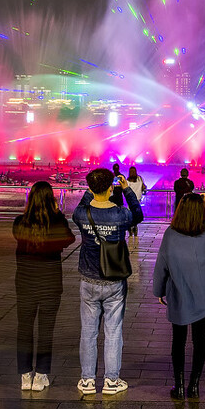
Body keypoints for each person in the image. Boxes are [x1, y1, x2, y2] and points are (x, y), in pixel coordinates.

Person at [152, 192, 205, 399]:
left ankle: (178, 386)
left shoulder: (171, 234)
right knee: (200, 338)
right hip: (203, 297)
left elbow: (162, 265)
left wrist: (159, 291)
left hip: (179, 294)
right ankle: (194, 385)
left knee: (178, 340)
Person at [72, 167, 143, 396]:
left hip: (89, 278)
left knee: (88, 332)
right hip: (113, 280)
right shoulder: (120, 214)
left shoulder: (83, 214)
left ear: (91, 188)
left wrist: (90, 191)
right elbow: (138, 214)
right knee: (113, 332)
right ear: (111, 186)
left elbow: (79, 209)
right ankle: (111, 381)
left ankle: (87, 380)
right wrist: (127, 190)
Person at [13, 181, 76, 392]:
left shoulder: (19, 222)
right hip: (49, 283)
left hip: (25, 283)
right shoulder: (57, 222)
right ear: (51, 199)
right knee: (46, 331)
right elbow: (69, 239)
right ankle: (40, 375)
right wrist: (57, 215)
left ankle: (24, 375)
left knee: (24, 329)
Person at [123, 166, 146, 238]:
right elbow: (144, 187)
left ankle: (130, 228)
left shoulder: (128, 181)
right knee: (136, 214)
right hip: (138, 200)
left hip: (130, 200)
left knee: (130, 214)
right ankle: (135, 226)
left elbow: (125, 190)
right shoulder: (139, 178)